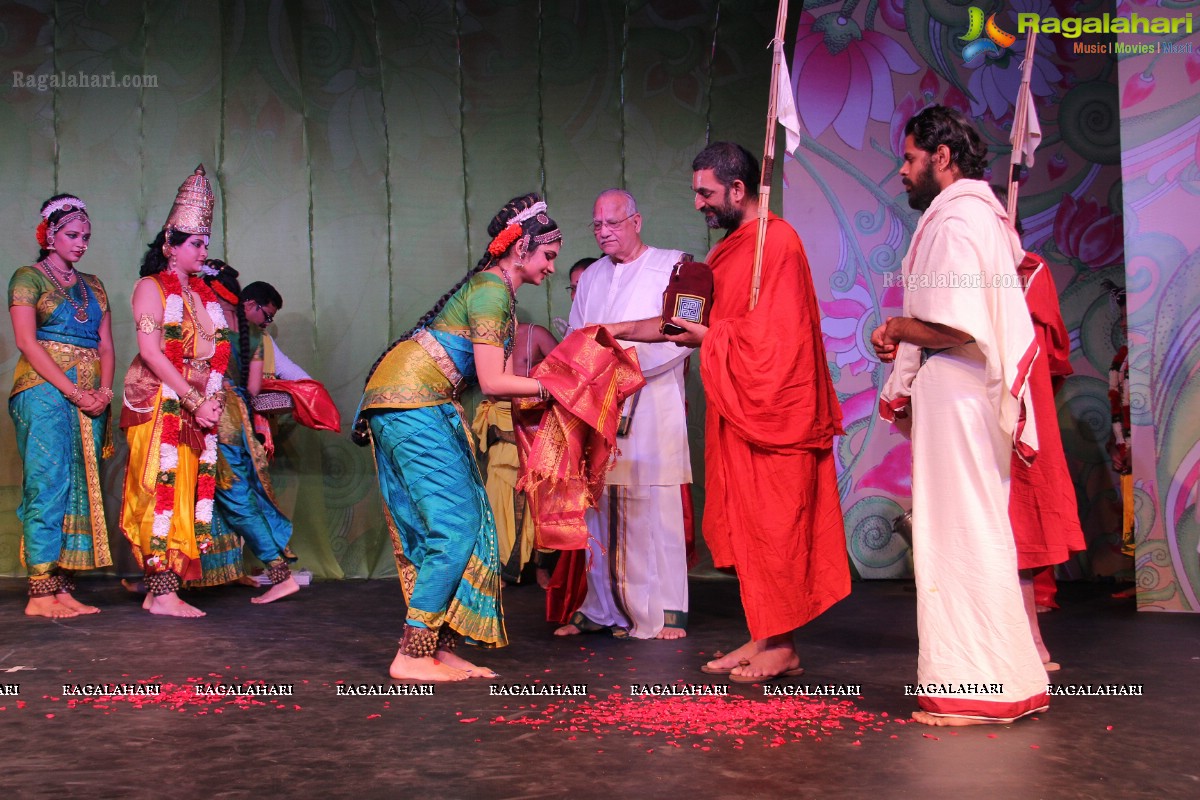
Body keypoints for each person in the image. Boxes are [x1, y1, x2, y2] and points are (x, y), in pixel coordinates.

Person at [606, 143, 848, 679]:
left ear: (739, 190)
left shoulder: (778, 244)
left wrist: (711, 336)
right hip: (737, 412)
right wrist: (618, 330)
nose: (698, 204)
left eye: (706, 193)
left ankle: (782, 646)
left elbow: (778, 342)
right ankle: (763, 637)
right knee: (748, 528)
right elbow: (680, 325)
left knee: (775, 526)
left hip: (773, 412)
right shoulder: (723, 255)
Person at [872, 106, 1048, 725]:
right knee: (975, 529)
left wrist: (897, 326)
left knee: (956, 534)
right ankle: (1005, 680)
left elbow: (954, 326)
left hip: (960, 390)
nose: (902, 171)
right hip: (968, 394)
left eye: (910, 157)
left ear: (941, 157)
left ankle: (973, 691)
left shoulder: (957, 219)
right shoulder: (982, 214)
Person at [356, 192, 561, 682]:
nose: (552, 267)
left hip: (415, 401)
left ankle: (436, 647)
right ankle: (411, 653)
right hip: (413, 400)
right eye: (548, 255)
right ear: (521, 249)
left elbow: (508, 390)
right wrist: (556, 386)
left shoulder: (500, 298)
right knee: (455, 524)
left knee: (460, 523)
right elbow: (493, 384)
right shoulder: (492, 291)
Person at [554, 188, 693, 640]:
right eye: (596, 225)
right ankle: (602, 607)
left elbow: (681, 334)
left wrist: (625, 366)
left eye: (612, 223)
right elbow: (578, 336)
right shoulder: (592, 275)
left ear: (636, 221)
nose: (603, 232)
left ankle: (664, 612)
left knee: (654, 506)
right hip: (601, 402)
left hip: (651, 399)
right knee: (601, 505)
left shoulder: (675, 265)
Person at [120, 165, 234, 618]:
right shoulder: (151, 288)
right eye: (196, 243)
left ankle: (160, 591)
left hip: (197, 402)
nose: (204, 250)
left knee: (186, 491)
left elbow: (215, 355)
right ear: (170, 244)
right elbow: (151, 351)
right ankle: (162, 591)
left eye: (206, 242)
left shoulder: (205, 296)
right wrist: (192, 398)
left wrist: (212, 398)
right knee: (159, 490)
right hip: (162, 400)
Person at [991, 187, 1086, 669]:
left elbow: (1048, 357)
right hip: (977, 407)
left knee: (1021, 517)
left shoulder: (1030, 273)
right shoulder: (965, 274)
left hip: (1020, 404)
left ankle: (1031, 640)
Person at [8, 194, 113, 617]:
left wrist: (103, 394)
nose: (81, 243)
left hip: (91, 396)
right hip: (44, 391)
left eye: (86, 236)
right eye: (72, 234)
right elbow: (26, 342)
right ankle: (39, 592)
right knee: (47, 482)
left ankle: (63, 587)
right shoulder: (27, 278)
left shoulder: (95, 284)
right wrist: (74, 392)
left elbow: (106, 346)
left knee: (79, 488)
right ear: (48, 234)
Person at [203, 261, 300, 604]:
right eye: (267, 315)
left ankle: (279, 571)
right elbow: (254, 390)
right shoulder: (253, 335)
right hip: (237, 416)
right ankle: (184, 577)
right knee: (212, 497)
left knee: (234, 494)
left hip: (209, 415)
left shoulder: (201, 325)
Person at [472, 320, 558, 585]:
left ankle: (541, 566)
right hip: (500, 416)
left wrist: (540, 382)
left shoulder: (536, 333)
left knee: (540, 495)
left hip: (533, 418)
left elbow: (567, 371)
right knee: (498, 491)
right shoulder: (484, 338)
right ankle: (500, 567)